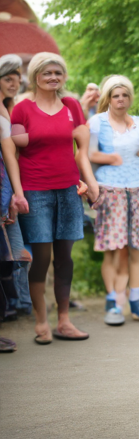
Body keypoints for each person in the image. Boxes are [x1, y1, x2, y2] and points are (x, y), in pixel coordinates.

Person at [3, 52, 99, 344]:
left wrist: (91, 184)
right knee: (42, 258)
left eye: (58, 72)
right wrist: (17, 193)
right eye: (47, 73)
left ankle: (64, 321)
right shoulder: (21, 110)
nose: (53, 77)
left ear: (64, 76)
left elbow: (82, 150)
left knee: (65, 258)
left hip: (69, 190)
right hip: (35, 191)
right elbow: (13, 154)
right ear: (35, 77)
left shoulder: (71, 106)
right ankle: (41, 322)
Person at [88, 75, 139, 325]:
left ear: (130, 98)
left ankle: (137, 302)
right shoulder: (97, 122)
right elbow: (88, 155)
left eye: (125, 95)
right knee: (112, 250)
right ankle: (113, 303)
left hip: (138, 189)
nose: (121, 99)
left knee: (136, 248)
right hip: (109, 189)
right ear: (108, 98)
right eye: (115, 95)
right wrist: (112, 159)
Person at [0, 54, 32, 319]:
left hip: (11, 183)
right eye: (7, 78)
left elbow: (15, 152)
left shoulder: (11, 107)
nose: (13, 83)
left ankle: (19, 302)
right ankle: (14, 303)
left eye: (17, 78)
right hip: (4, 181)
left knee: (17, 248)